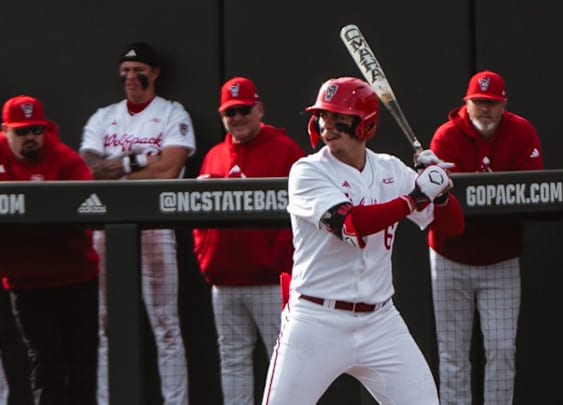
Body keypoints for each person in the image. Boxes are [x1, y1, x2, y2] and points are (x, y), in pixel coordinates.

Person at [260, 76, 464, 405]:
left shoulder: (392, 170)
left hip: (380, 321)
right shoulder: (308, 171)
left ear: (364, 125)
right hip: (316, 318)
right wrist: (415, 196)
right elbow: (351, 225)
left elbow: (451, 228)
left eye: (339, 118)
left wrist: (440, 193)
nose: (328, 125)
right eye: (323, 116)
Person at [79, 42, 196, 405]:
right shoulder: (103, 116)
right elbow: (88, 170)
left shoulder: (172, 113)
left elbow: (168, 170)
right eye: (125, 71)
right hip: (106, 228)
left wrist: (115, 170)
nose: (131, 77)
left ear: (155, 73)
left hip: (155, 227)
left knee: (165, 326)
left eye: (138, 70)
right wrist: (136, 161)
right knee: (105, 326)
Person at [427, 70, 543, 405]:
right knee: (452, 355)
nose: (486, 110)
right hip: (450, 258)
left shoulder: (521, 132)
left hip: (500, 259)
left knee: (502, 349)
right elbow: (437, 203)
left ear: (504, 103)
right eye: (479, 102)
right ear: (467, 102)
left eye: (492, 103)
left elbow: (530, 192)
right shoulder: (446, 137)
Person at [192, 77, 304, 405]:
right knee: (233, 360)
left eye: (244, 110)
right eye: (230, 112)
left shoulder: (285, 151)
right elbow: (198, 218)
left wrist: (276, 261)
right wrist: (206, 257)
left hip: (270, 282)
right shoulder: (214, 155)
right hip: (224, 282)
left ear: (259, 109)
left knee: (283, 361)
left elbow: (301, 215)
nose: (237, 118)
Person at [0, 95, 100, 404]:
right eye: (22, 131)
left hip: (75, 278)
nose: (30, 138)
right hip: (26, 283)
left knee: (81, 361)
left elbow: (89, 215)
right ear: (5, 131)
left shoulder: (65, 159)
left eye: (36, 130)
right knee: (45, 361)